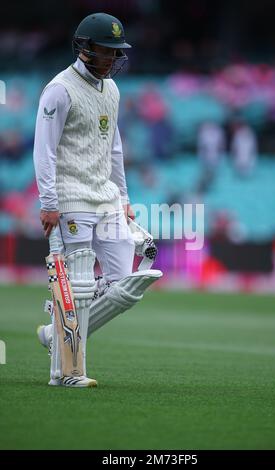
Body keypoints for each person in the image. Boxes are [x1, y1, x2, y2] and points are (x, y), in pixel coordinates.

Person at [33, 13, 162, 388]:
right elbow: (45, 150)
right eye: (105, 52)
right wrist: (48, 201)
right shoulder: (60, 89)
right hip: (71, 197)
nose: (111, 59)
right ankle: (66, 373)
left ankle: (55, 335)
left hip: (105, 197)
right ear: (85, 48)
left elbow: (115, 149)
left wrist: (123, 197)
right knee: (80, 284)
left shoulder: (113, 91)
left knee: (125, 284)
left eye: (116, 53)